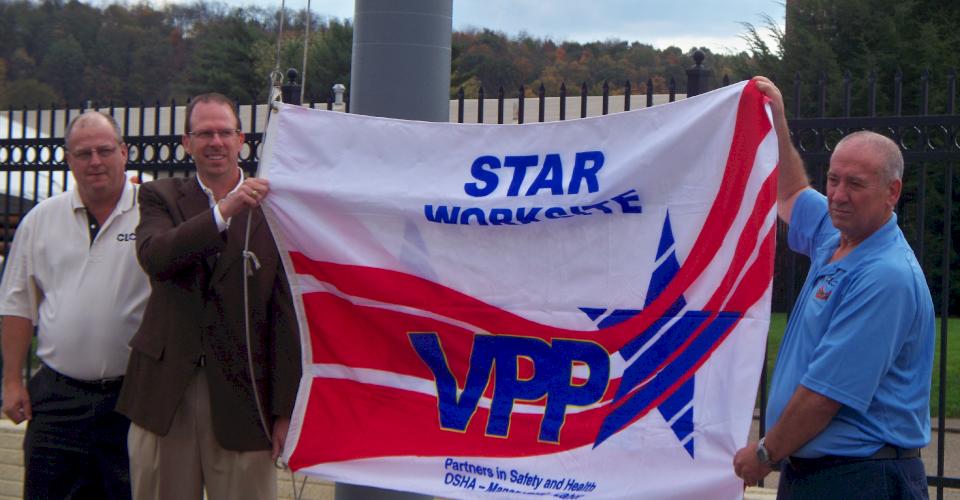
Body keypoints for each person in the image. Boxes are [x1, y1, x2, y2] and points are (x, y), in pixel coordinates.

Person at [733, 77, 935, 498]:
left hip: (861, 480)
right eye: (833, 180)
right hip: (821, 473)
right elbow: (789, 193)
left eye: (855, 184)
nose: (838, 195)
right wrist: (779, 121)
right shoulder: (835, 232)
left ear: (891, 192)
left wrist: (766, 455)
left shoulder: (884, 276)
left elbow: (824, 397)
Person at [116, 92, 301, 500]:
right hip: (166, 396)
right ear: (187, 142)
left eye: (224, 132)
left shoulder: (274, 209)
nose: (215, 141)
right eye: (204, 133)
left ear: (242, 140)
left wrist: (285, 410)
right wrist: (223, 212)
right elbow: (157, 257)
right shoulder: (159, 196)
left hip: (244, 397)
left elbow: (285, 315)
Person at [0, 111, 150, 499]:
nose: (95, 161)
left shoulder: (154, 217)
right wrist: (13, 380)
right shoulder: (40, 220)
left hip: (131, 401)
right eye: (83, 154)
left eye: (104, 150)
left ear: (124, 152)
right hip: (57, 400)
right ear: (68, 159)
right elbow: (17, 305)